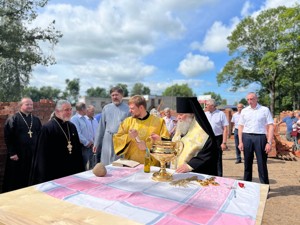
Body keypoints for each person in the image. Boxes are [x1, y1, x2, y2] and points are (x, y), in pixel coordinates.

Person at [30, 100, 84, 184]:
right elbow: (42, 156)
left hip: (72, 172)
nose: (69, 112)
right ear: (57, 111)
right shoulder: (47, 129)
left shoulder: (72, 127)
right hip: (55, 173)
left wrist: (80, 171)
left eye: (70, 109)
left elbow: (78, 151)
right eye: (66, 110)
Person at [113, 95, 170, 165]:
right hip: (131, 165)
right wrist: (129, 137)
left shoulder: (159, 122)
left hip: (151, 166)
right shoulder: (127, 122)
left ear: (141, 108)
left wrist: (147, 147)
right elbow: (117, 139)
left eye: (132, 108)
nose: (130, 111)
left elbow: (167, 145)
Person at [171, 97, 218, 175]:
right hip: (176, 171)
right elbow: (175, 144)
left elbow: (209, 152)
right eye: (178, 114)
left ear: (191, 115)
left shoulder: (203, 132)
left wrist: (190, 165)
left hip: (194, 172)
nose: (178, 117)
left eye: (181, 114)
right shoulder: (181, 128)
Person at [3, 97, 42, 192]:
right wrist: (12, 153)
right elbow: (8, 137)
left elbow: (40, 136)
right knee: (18, 178)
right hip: (18, 155)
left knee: (32, 176)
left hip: (32, 154)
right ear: (21, 105)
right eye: (27, 104)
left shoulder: (36, 120)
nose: (30, 106)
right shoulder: (13, 119)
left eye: (31, 104)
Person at [238, 92, 274, 184]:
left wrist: (269, 142)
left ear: (256, 99)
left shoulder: (264, 110)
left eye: (252, 99)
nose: (250, 101)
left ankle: (264, 186)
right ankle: (246, 185)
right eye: (248, 99)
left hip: (260, 137)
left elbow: (270, 126)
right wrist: (240, 142)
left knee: (262, 163)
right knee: (247, 163)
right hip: (247, 137)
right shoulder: (244, 111)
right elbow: (241, 127)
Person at [93, 86, 130, 165]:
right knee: (105, 163)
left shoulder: (128, 109)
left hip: (121, 140)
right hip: (107, 139)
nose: (114, 97)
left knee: (118, 165)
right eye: (112, 95)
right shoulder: (106, 108)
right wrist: (96, 143)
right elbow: (101, 127)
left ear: (122, 95)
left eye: (116, 95)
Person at [205, 99, 229, 177]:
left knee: (218, 158)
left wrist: (224, 142)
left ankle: (219, 177)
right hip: (207, 139)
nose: (205, 106)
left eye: (207, 104)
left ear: (212, 106)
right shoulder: (205, 114)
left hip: (218, 138)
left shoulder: (221, 114)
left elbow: (225, 128)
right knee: (207, 157)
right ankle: (208, 175)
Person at [71, 102, 94, 170]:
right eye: (86, 108)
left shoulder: (84, 118)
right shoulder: (74, 119)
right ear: (82, 109)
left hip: (89, 146)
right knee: (82, 166)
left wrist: (91, 142)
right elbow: (77, 133)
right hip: (82, 147)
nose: (87, 110)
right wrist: (86, 143)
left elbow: (88, 132)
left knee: (90, 166)